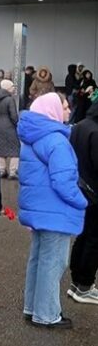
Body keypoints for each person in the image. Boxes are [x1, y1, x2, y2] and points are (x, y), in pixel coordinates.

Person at [18, 92, 87, 328]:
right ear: (52, 111)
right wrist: (82, 201)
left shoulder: (33, 136)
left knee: (38, 260)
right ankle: (47, 314)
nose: (68, 111)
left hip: (39, 209)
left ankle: (32, 307)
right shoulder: (56, 140)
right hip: (56, 212)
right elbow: (64, 181)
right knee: (54, 262)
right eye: (65, 107)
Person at [68, 92, 98, 304]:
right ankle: (85, 286)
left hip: (82, 189)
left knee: (83, 237)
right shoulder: (96, 131)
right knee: (94, 240)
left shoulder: (80, 125)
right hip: (95, 192)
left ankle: (75, 282)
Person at [0, 80, 20, 179]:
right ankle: (13, 171)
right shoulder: (10, 99)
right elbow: (13, 115)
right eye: (12, 87)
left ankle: (1, 170)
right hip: (9, 126)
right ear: (7, 88)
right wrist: (17, 124)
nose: (13, 89)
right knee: (15, 148)